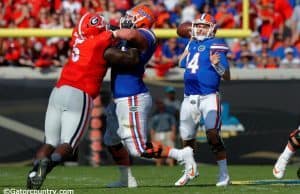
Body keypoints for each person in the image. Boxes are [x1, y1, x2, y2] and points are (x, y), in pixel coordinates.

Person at [26, 12, 140, 189]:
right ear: (100, 28)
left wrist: (111, 29)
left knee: (49, 142)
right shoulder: (101, 41)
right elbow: (127, 37)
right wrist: (127, 29)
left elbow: (99, 32)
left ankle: (34, 172)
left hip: (58, 91)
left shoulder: (77, 38)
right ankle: (45, 167)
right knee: (68, 145)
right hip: (80, 93)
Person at [103, 3, 197, 188]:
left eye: (132, 16)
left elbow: (130, 35)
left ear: (142, 19)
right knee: (111, 140)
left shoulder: (148, 34)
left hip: (132, 97)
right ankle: (126, 179)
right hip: (119, 97)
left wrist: (112, 32)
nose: (127, 18)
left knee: (137, 149)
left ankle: (182, 155)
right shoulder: (129, 34)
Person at [176, 13, 231, 186]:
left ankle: (223, 173)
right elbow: (180, 63)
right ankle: (190, 169)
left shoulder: (216, 44)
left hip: (208, 96)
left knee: (212, 133)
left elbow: (227, 76)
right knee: (187, 138)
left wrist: (216, 64)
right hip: (189, 97)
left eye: (204, 26)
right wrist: (188, 46)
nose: (200, 28)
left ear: (211, 29)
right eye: (198, 25)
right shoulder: (192, 44)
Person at [149, 99, 177, 166]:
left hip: (168, 133)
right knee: (158, 151)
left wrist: (173, 133)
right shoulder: (154, 115)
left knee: (170, 149)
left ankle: (171, 165)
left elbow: (173, 125)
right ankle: (158, 165)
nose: (159, 105)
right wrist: (152, 138)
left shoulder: (169, 113)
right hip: (158, 134)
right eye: (158, 104)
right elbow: (152, 128)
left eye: (161, 103)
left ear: (163, 104)